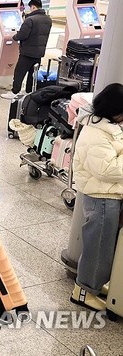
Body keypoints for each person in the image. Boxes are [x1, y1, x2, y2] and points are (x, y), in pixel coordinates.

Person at [69, 83, 123, 311]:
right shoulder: (97, 133)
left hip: (106, 196)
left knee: (101, 246)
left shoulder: (103, 126)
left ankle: (94, 284)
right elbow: (106, 170)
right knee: (97, 246)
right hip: (102, 198)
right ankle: (83, 290)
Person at [1, 0, 53, 100]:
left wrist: (14, 37)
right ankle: (28, 91)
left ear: (33, 6)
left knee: (19, 72)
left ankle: (15, 91)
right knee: (32, 73)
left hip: (27, 51)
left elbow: (22, 35)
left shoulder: (30, 19)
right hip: (39, 52)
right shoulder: (48, 19)